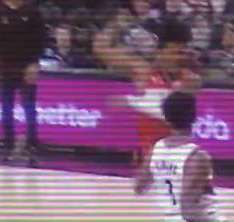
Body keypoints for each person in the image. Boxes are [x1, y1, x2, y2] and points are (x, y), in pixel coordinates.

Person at [93, 18, 202, 168]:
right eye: (176, 52)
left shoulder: (190, 80)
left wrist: (132, 102)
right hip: (147, 156)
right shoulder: (143, 71)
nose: (181, 58)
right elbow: (100, 49)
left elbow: (174, 117)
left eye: (184, 53)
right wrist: (115, 23)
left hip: (175, 159)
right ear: (161, 51)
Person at [0, 0, 46, 167]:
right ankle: (8, 148)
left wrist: (35, 64)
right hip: (4, 66)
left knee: (29, 109)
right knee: (6, 110)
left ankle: (33, 148)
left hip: (26, 66)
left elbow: (40, 40)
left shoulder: (32, 12)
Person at [134, 91, 224, 222]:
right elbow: (187, 208)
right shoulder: (197, 156)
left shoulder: (156, 149)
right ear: (194, 117)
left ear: (166, 117)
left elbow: (139, 188)